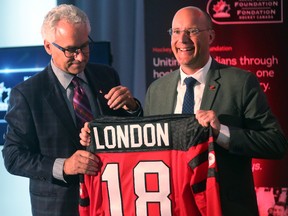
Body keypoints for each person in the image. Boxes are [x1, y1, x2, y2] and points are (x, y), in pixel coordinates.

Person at [79, 6, 288, 216]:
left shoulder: (240, 83)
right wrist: (100, 136)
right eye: (176, 32)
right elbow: (148, 145)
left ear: (211, 36)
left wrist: (221, 131)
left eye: (192, 31)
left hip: (225, 208)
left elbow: (275, 143)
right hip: (173, 208)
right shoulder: (158, 89)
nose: (183, 39)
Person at [2, 4, 142, 216]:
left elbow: (130, 133)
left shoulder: (107, 76)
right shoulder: (27, 94)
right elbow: (13, 156)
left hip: (111, 199)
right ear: (48, 47)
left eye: (84, 46)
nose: (80, 56)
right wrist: (64, 166)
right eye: (70, 50)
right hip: (58, 207)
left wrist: (132, 107)